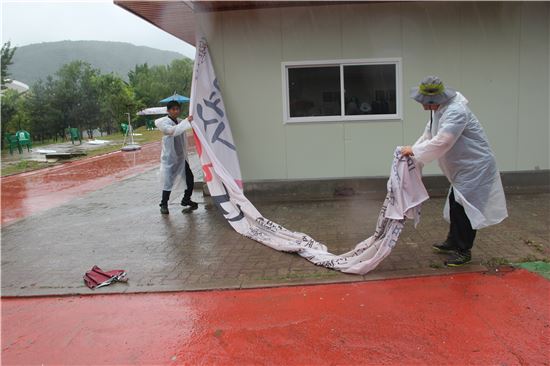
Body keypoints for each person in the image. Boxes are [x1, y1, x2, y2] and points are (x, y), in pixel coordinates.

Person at [401, 76, 508, 266]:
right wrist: (413, 151)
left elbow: (444, 140)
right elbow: (429, 134)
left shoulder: (456, 111)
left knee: (464, 208)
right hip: (463, 168)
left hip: (475, 167)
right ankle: (452, 241)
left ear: (436, 100)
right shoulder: (440, 110)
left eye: (425, 103)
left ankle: (463, 250)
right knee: (454, 203)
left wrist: (415, 151)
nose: (423, 106)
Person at [155, 100, 198, 215]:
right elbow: (172, 131)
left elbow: (185, 125)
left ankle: (186, 199)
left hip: (181, 157)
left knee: (190, 179)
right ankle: (163, 204)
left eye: (177, 109)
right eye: (173, 109)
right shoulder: (164, 122)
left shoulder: (179, 121)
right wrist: (186, 122)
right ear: (168, 111)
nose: (176, 111)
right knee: (168, 182)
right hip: (170, 158)